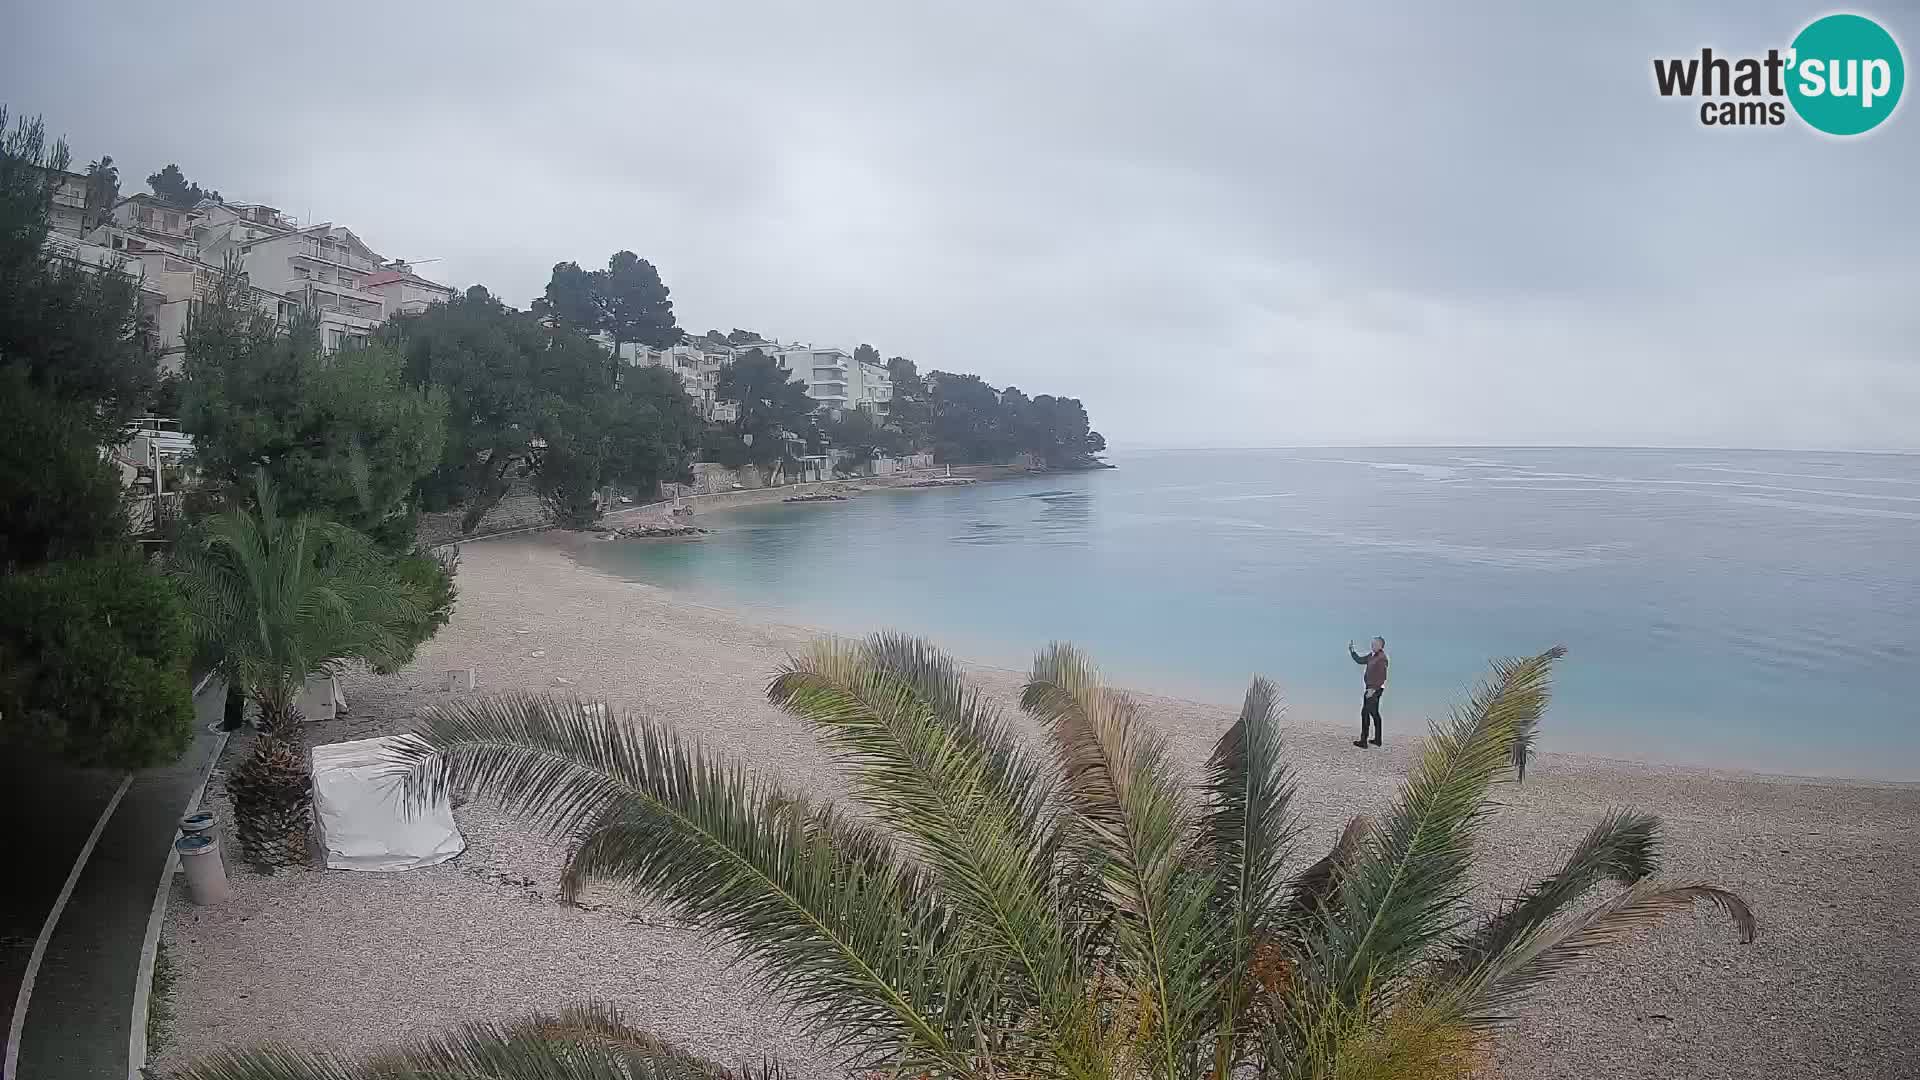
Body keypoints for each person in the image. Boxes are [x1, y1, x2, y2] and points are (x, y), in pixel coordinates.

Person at [1348, 636, 1388, 748]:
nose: (1372, 646)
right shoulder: (1371, 656)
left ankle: (1363, 741)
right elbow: (1360, 660)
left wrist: (1373, 690)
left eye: (1375, 644)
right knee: (1374, 713)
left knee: (1365, 712)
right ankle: (1377, 740)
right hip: (1370, 688)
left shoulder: (1382, 658)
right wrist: (1352, 652)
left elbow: (1382, 677)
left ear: (1381, 646)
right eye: (1372, 644)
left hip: (1374, 689)